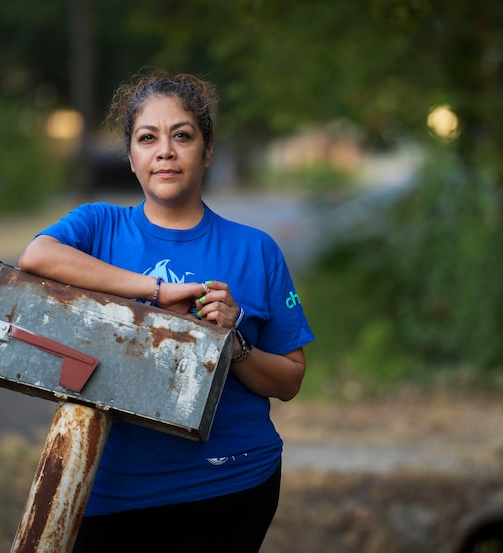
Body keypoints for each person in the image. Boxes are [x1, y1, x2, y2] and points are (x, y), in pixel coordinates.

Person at [18, 69, 315, 552]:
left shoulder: (255, 249)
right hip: (113, 490)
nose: (165, 151)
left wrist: (233, 342)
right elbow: (36, 257)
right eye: (147, 138)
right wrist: (154, 291)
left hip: (231, 484)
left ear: (208, 149)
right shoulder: (99, 226)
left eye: (182, 135)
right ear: (131, 156)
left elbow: (290, 380)